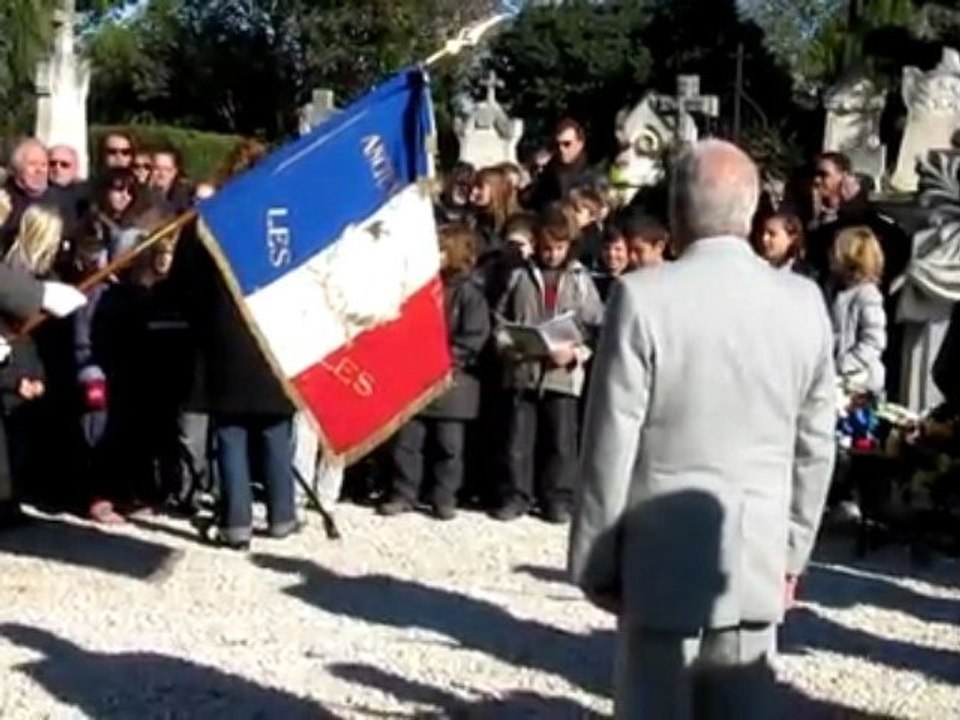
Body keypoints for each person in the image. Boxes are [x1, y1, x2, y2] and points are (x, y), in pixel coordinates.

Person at [569, 139, 836, 719]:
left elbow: (611, 441)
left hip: (659, 553)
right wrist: (792, 552)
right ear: (751, 211)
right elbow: (816, 445)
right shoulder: (804, 302)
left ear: (677, 211)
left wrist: (595, 557)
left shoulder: (643, 298)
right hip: (756, 549)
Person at [378, 225, 490, 520]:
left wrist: (442, 361)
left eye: (441, 249)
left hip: (452, 380)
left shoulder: (470, 293)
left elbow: (473, 337)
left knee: (448, 445)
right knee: (407, 442)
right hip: (414, 377)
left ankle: (444, 497)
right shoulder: (420, 288)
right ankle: (403, 493)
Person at [830, 226, 887, 396]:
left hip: (861, 381)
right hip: (842, 380)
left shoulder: (867, 295)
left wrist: (844, 364)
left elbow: (874, 341)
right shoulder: (839, 291)